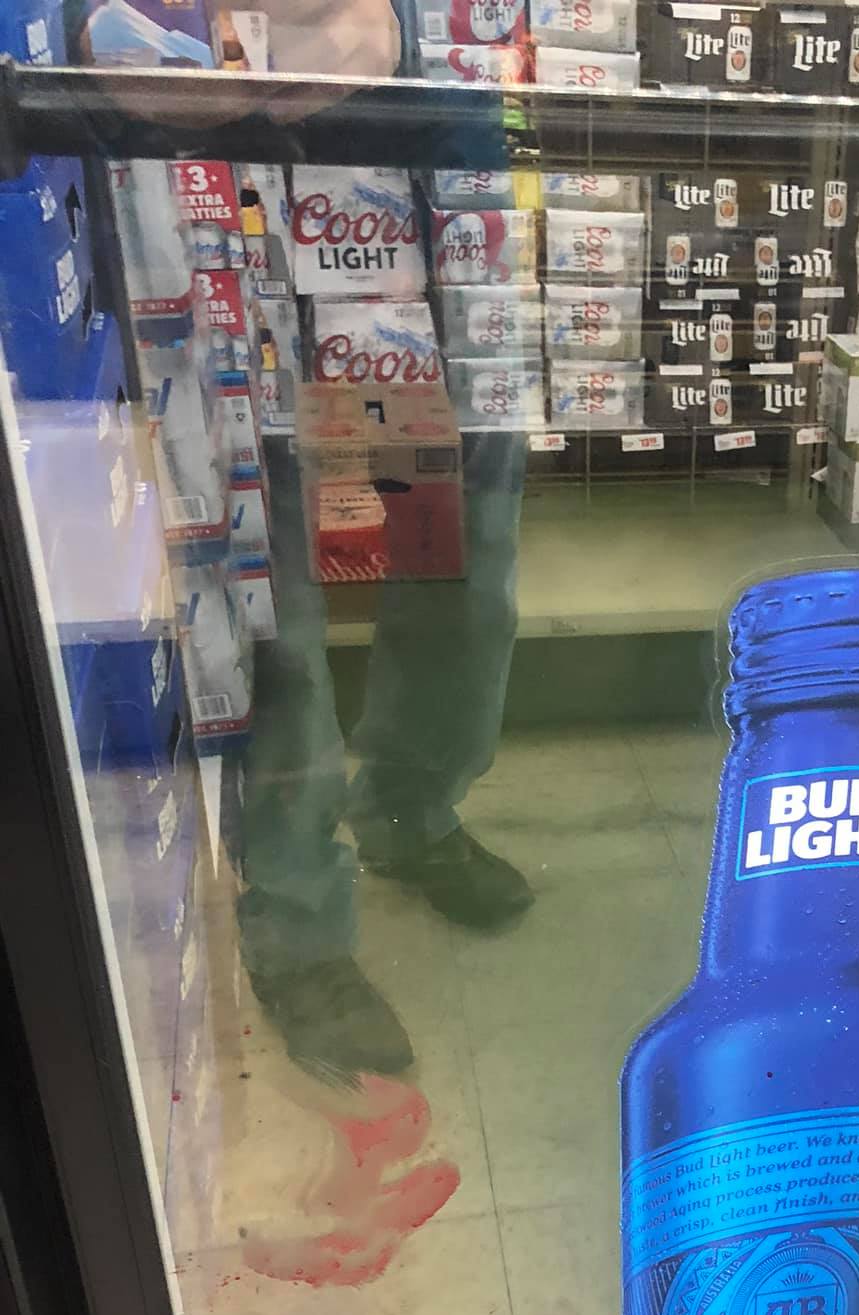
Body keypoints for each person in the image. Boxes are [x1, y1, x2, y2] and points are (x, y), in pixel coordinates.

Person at [237, 0, 532, 1076]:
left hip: (433, 218)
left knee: (467, 572)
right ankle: (296, 924)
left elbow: (491, 28)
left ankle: (410, 813)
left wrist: (405, 29)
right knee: (271, 604)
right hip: (235, 225)